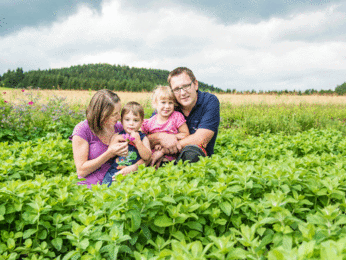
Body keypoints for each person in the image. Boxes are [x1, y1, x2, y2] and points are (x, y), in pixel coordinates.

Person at [146, 67, 220, 164]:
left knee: (192, 154)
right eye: (176, 89)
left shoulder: (209, 101)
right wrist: (161, 136)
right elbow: (148, 134)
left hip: (193, 156)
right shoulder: (169, 104)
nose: (183, 93)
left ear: (196, 84)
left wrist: (163, 150)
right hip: (162, 156)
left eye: (186, 86)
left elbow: (201, 139)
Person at [70, 89, 141, 188]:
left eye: (119, 112)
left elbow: (143, 153)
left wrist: (133, 168)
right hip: (92, 188)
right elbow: (81, 171)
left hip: (119, 185)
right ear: (100, 114)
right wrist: (109, 153)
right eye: (114, 114)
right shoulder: (83, 130)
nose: (118, 117)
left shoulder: (119, 127)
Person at [102, 101, 151, 187]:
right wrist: (116, 142)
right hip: (115, 171)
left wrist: (138, 142)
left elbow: (147, 156)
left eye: (136, 120)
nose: (131, 123)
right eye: (127, 119)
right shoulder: (117, 136)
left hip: (134, 172)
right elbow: (110, 154)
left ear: (142, 122)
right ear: (121, 121)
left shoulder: (143, 138)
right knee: (106, 189)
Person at [141, 85, 189, 168]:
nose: (167, 106)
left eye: (170, 103)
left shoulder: (176, 117)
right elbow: (141, 137)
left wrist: (168, 138)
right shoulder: (149, 122)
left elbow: (185, 134)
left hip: (171, 159)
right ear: (155, 104)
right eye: (163, 102)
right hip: (153, 158)